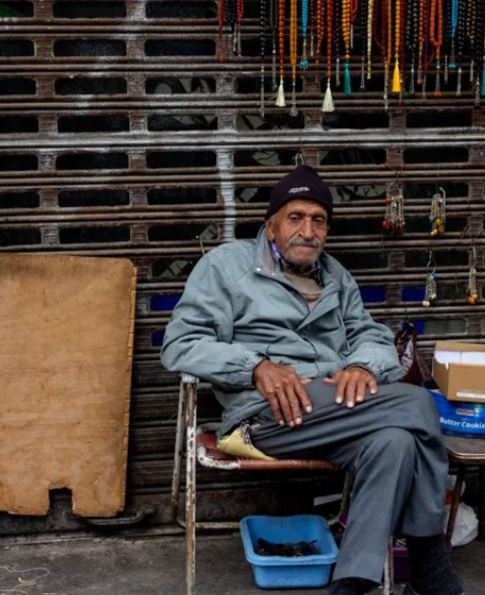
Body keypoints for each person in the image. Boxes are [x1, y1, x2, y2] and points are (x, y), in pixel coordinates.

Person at [161, 165, 467, 595]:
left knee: (395, 441)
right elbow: (180, 344)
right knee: (417, 403)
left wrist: (362, 367)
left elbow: (372, 336)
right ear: (271, 225)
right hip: (266, 417)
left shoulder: (336, 276)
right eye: (296, 218)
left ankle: (352, 583)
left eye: (318, 220)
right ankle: (428, 561)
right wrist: (255, 366)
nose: (308, 231)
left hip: (334, 415)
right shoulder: (225, 268)